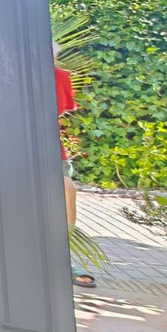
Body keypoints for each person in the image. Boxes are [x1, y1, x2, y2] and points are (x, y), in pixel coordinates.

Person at [54, 43, 94, 288]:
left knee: (68, 190)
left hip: (50, 145)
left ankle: (64, 257)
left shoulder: (60, 76)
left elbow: (60, 112)